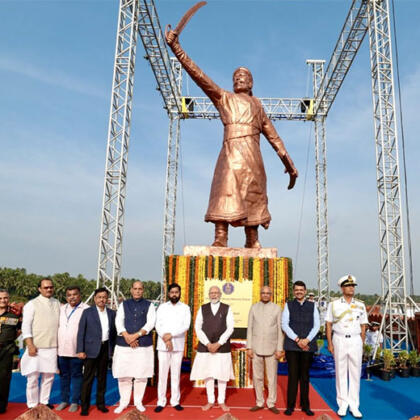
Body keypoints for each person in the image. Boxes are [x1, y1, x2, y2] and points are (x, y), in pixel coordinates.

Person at [165, 28, 298, 248]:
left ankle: (252, 239)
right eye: (236, 77)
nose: (239, 79)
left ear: (251, 83)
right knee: (224, 192)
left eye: (243, 77)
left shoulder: (258, 106)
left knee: (253, 195)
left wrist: (289, 165)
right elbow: (198, 75)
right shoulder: (224, 98)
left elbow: (275, 138)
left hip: (253, 157)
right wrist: (176, 48)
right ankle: (220, 236)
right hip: (230, 153)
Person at [325, 275, 368, 419]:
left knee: (355, 372)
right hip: (339, 339)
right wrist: (330, 343)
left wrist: (361, 341)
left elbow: (363, 325)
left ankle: (354, 405)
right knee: (340, 372)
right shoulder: (334, 304)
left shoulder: (361, 305)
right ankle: (342, 404)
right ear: (342, 288)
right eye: (349, 286)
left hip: (355, 340)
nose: (352, 288)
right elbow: (329, 324)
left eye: (353, 286)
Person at [112, 281, 156, 414]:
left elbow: (150, 323)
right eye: (135, 289)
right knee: (124, 375)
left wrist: (135, 336)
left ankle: (138, 402)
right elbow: (118, 321)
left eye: (140, 289)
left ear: (143, 290)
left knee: (141, 375)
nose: (137, 291)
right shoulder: (123, 305)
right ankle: (124, 402)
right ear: (131, 290)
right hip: (124, 345)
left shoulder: (150, 305)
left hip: (142, 345)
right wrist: (127, 336)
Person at [190, 286, 234, 411]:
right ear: (209, 294)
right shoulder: (203, 308)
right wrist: (208, 344)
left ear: (220, 294)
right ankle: (210, 400)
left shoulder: (227, 308)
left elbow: (230, 328)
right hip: (206, 347)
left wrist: (219, 343)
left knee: (222, 374)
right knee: (208, 374)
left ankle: (221, 401)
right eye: (211, 293)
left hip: (222, 347)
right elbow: (197, 327)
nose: (214, 295)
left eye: (216, 293)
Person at [282, 280, 320, 417]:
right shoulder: (288, 305)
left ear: (305, 291)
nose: (299, 292)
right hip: (292, 345)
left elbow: (317, 325)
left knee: (305, 376)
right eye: (296, 290)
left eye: (301, 290)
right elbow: (284, 324)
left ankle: (305, 406)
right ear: (294, 292)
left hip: (308, 346)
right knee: (292, 376)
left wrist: (307, 340)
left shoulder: (312, 306)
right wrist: (298, 340)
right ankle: (290, 406)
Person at [21, 278, 60, 409]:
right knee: (32, 378)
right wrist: (30, 344)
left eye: (51, 287)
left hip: (52, 346)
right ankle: (32, 404)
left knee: (49, 377)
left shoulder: (56, 303)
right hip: (36, 347)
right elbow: (25, 326)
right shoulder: (31, 304)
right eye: (46, 287)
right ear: (39, 289)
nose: (49, 289)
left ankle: (44, 402)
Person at [77, 287, 116, 416]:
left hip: (105, 349)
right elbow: (81, 332)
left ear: (107, 299)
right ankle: (84, 406)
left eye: (104, 297)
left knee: (102, 378)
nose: (102, 300)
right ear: (95, 298)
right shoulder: (87, 312)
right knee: (87, 379)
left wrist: (113, 349)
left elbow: (114, 333)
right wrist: (80, 350)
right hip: (90, 350)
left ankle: (101, 404)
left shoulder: (112, 313)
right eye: (99, 297)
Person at [246, 286, 284, 414]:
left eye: (268, 293)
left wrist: (279, 348)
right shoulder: (254, 308)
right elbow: (250, 328)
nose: (266, 295)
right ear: (260, 294)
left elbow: (280, 330)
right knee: (257, 377)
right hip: (256, 348)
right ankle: (259, 402)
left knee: (272, 377)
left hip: (272, 348)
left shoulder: (277, 308)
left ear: (271, 295)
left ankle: (271, 402)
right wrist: (249, 347)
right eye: (263, 293)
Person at [154, 283, 191, 413]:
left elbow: (185, 326)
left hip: (178, 345)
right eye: (172, 292)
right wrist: (166, 337)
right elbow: (157, 324)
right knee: (162, 375)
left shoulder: (185, 308)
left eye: (176, 292)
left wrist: (171, 335)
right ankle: (161, 401)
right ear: (168, 294)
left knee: (176, 374)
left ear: (179, 293)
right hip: (163, 344)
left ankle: (175, 401)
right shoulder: (162, 307)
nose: (174, 294)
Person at [56, 286, 89, 413]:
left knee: (76, 376)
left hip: (77, 351)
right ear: (66, 297)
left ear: (80, 295)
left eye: (75, 294)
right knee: (64, 376)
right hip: (62, 350)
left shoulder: (86, 309)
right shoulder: (61, 309)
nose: (72, 297)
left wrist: (84, 349)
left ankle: (75, 401)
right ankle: (64, 400)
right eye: (69, 295)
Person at [0, 289, 21, 414]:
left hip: (6, 350)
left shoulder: (14, 316)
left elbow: (19, 331)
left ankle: (2, 406)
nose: (3, 300)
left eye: (5, 298)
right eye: (0, 298)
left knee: (3, 379)